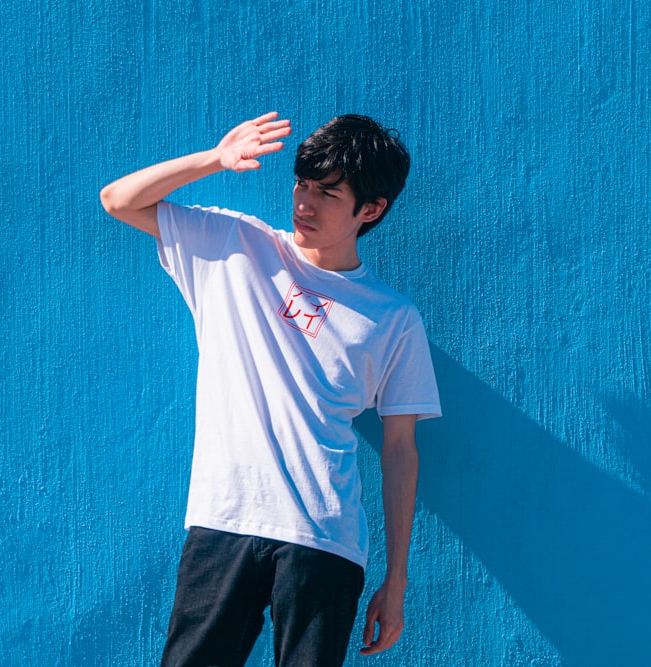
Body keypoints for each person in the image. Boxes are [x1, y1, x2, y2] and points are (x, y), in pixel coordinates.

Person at [100, 112, 441, 665]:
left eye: (328, 193)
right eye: (302, 185)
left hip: (325, 539)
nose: (305, 203)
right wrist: (214, 158)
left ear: (371, 209)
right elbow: (118, 199)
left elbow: (401, 451)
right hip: (224, 518)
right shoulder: (235, 246)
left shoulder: (394, 319)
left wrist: (396, 580)